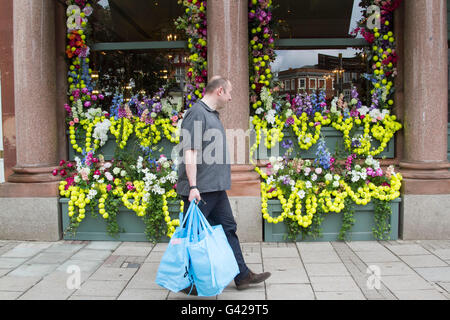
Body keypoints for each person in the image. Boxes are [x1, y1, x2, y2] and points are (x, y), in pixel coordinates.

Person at [177, 76, 271, 294]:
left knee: (228, 229)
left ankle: (242, 275)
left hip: (215, 188)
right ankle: (185, 280)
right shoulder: (196, 114)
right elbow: (189, 152)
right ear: (219, 91)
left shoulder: (210, 114)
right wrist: (192, 187)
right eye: (229, 93)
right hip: (200, 190)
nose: (230, 98)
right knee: (194, 235)